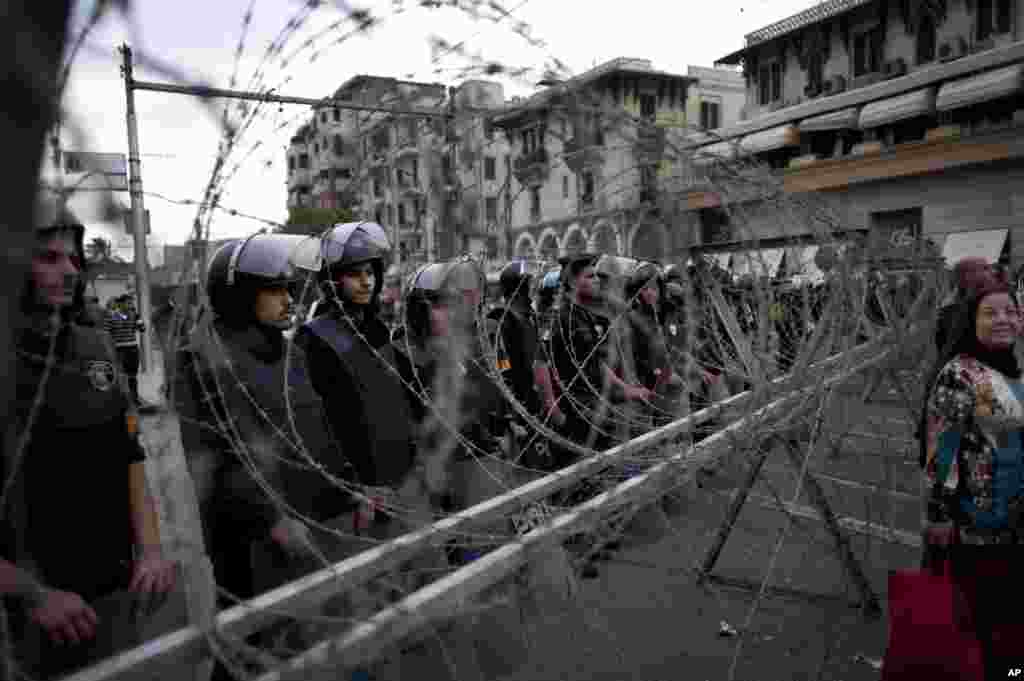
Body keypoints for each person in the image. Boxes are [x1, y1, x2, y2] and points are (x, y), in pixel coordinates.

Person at [4, 201, 176, 679]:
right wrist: (29, 593)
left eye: (73, 258)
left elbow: (129, 454)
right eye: (48, 258)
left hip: (116, 594)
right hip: (29, 617)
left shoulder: (93, 347)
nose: (70, 270)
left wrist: (152, 551)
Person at [176, 234, 356, 615]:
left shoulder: (290, 353)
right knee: (257, 647)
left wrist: (348, 491)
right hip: (252, 543)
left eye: (289, 289)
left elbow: (317, 430)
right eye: (275, 290)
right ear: (240, 296)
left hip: (314, 524)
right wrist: (270, 520)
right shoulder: (203, 362)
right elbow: (214, 458)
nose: (289, 299)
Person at [295, 223, 436, 578]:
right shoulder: (314, 340)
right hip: (361, 497)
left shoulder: (377, 330)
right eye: (354, 274)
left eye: (370, 272)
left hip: (405, 482)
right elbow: (319, 429)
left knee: (423, 583)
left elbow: (399, 404)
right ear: (330, 282)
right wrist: (352, 489)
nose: (366, 282)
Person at [920, 281, 1024, 678]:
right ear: (972, 321)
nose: (1003, 319)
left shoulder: (1017, 365)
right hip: (981, 517)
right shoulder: (960, 373)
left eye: (1010, 311)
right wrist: (939, 515)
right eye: (990, 312)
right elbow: (942, 450)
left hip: (1019, 518)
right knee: (990, 616)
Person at [549, 253, 651, 462]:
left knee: (606, 469)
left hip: (597, 405)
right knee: (582, 477)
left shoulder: (584, 315)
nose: (596, 280)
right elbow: (544, 365)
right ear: (570, 281)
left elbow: (597, 364)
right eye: (589, 276)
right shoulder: (561, 317)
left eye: (596, 275)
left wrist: (626, 388)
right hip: (577, 409)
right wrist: (554, 410)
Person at [105, 294, 145, 405]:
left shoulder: (133, 315)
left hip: (132, 348)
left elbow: (142, 329)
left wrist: (138, 318)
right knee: (122, 376)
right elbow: (107, 332)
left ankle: (134, 399)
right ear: (120, 304)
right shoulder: (114, 315)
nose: (131, 305)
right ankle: (122, 400)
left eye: (131, 303)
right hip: (120, 349)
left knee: (132, 376)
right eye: (128, 303)